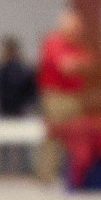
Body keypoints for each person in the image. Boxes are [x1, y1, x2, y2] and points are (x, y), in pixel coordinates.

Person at [35, 10, 93, 184]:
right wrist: (79, 64)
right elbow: (65, 66)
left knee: (78, 136)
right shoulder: (53, 42)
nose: (78, 30)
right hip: (57, 97)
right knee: (53, 136)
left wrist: (79, 64)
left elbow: (90, 64)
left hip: (75, 97)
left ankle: (76, 176)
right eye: (74, 26)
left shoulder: (77, 45)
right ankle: (46, 177)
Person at [0, 36, 38, 177]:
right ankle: (20, 167)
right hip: (16, 109)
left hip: (9, 109)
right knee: (16, 141)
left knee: (12, 141)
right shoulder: (20, 68)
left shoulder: (6, 69)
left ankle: (9, 168)